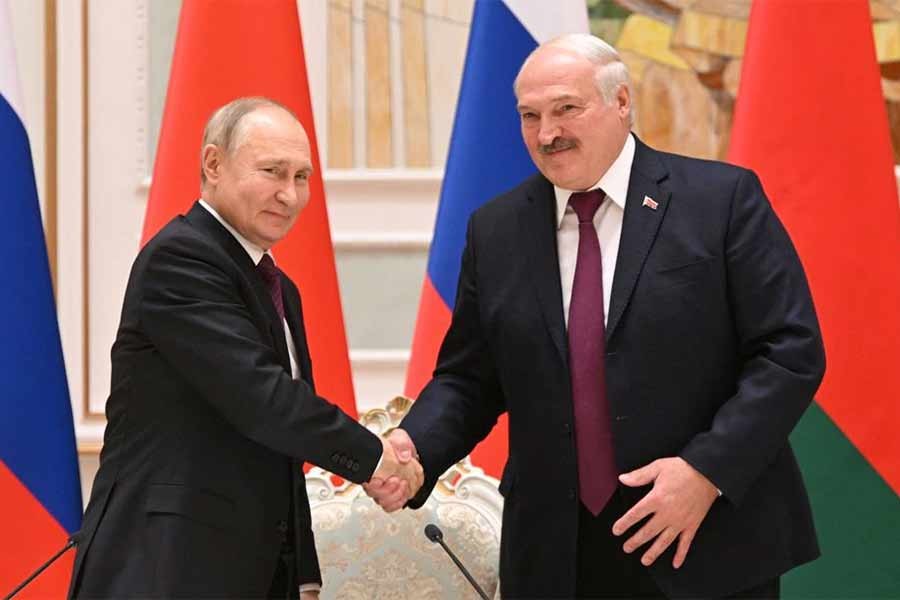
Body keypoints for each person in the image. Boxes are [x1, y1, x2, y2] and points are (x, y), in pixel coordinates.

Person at [365, 34, 825, 598]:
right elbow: (469, 378)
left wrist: (705, 472)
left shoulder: (720, 201)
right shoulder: (497, 229)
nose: (547, 133)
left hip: (705, 534)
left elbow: (789, 352)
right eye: (529, 116)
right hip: (557, 551)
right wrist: (417, 452)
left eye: (566, 109)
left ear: (622, 102)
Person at [68, 97, 423, 599]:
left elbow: (282, 439)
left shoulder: (278, 286)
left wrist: (303, 571)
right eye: (272, 171)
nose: (290, 194)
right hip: (166, 565)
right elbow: (264, 400)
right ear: (213, 164)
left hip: (249, 568)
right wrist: (377, 459)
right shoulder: (182, 259)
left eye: (302, 177)